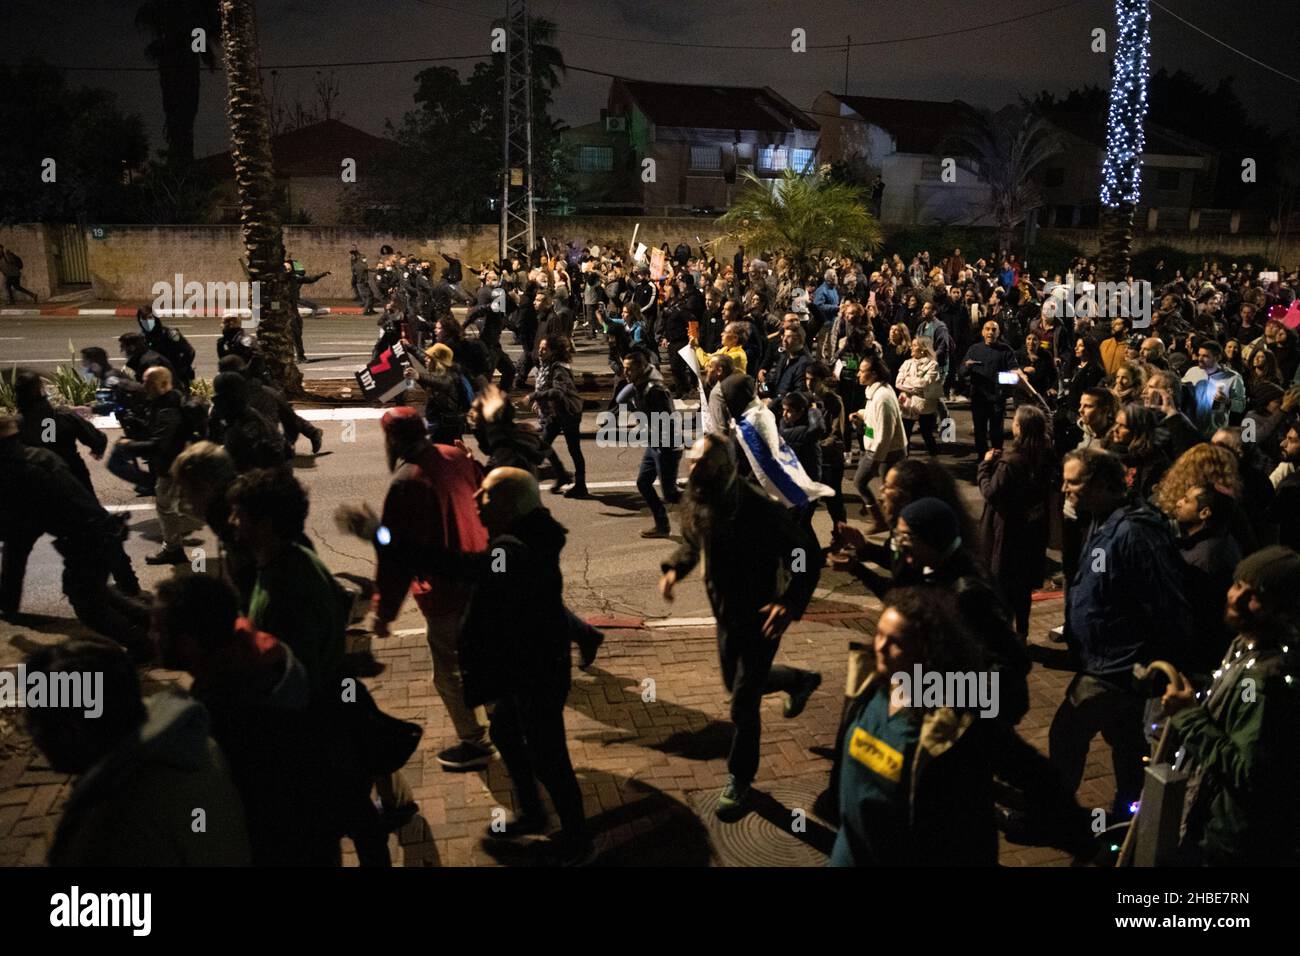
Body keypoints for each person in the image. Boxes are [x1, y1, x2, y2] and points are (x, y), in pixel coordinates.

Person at [831, 587, 1089, 866]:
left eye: (896, 642)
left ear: (926, 650)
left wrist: (1082, 841)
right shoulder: (870, 685)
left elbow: (1035, 774)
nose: (880, 647)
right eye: (879, 634)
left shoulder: (958, 720)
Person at [660, 434, 822, 819]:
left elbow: (804, 553)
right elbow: (693, 540)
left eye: (702, 464)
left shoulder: (756, 507)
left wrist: (789, 602)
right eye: (691, 461)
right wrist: (675, 570)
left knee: (742, 703)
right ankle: (798, 680)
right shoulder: (701, 495)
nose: (693, 469)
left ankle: (740, 778)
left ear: (724, 467)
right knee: (736, 684)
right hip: (726, 613)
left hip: (763, 613)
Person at [151, 574, 349, 865]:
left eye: (158, 631)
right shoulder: (266, 664)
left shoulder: (224, 716)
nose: (150, 637)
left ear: (188, 643)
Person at [340, 406, 497, 771]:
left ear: (393, 439)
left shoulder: (406, 481)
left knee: (449, 674)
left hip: (445, 592)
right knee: (485, 659)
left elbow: (396, 552)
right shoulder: (456, 456)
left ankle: (475, 741)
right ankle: (506, 727)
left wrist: (384, 612)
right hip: (482, 576)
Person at [454, 467, 595, 865]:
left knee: (550, 759)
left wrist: (394, 543)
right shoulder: (530, 539)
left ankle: (578, 840)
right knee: (506, 734)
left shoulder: (509, 550)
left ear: (510, 507)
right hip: (526, 667)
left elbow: (475, 570)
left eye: (484, 495)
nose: (475, 500)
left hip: (535, 673)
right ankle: (533, 811)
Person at [1050, 447, 1194, 819]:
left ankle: (1054, 814)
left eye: (1073, 482)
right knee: (1126, 742)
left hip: (1116, 665)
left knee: (1068, 732)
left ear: (1100, 484)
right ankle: (1128, 813)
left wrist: (1145, 664)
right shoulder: (1101, 519)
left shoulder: (1135, 533)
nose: (1064, 489)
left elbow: (1166, 603)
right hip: (1105, 659)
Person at [26, 638, 251, 866]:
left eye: (37, 720)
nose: (33, 734)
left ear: (71, 728)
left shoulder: (112, 824)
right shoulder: (191, 744)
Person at [1161, 546, 1300, 865]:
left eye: (1256, 596)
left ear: (1284, 610)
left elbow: (1248, 773)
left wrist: (1187, 717)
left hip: (1232, 838)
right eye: (1238, 584)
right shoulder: (1247, 645)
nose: (1236, 598)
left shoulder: (1265, 680)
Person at [0, 412, 149, 656]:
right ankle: (155, 622)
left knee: (89, 606)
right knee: (98, 593)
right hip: (99, 531)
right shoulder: (39, 456)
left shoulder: (14, 471)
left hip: (85, 539)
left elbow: (19, 520)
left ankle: (146, 648)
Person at [228, 468, 348, 700]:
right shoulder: (294, 558)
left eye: (238, 514)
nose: (231, 521)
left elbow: (300, 680)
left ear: (264, 525)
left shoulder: (285, 592)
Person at [978, 404, 1053, 639]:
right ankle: (1022, 633)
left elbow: (991, 492)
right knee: (1022, 589)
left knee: (1002, 587)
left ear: (1020, 428)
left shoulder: (1009, 463)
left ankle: (1005, 639)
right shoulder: (1046, 456)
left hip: (1007, 532)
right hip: (1033, 529)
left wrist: (985, 465)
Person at [105, 366, 192, 565]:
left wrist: (130, 445)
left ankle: (173, 549)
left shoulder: (167, 409)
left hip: (172, 465)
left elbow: (160, 443)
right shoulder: (161, 402)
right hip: (171, 464)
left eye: (149, 382)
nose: (144, 386)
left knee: (166, 507)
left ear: (163, 384)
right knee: (172, 505)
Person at [619, 347, 681, 538]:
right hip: (654, 444)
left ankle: (710, 505)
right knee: (643, 483)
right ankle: (662, 526)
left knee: (670, 494)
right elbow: (622, 399)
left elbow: (668, 420)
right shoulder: (639, 384)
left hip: (666, 446)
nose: (625, 373)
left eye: (629, 369)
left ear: (641, 368)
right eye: (624, 368)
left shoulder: (655, 390)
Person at [13, 370, 107, 491]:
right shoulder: (63, 415)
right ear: (41, 390)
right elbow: (95, 438)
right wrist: (98, 448)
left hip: (35, 482)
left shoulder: (14, 425)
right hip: (72, 477)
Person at [850, 349, 907, 532]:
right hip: (876, 449)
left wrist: (876, 461)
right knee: (870, 485)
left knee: (890, 492)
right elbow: (875, 418)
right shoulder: (874, 392)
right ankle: (884, 522)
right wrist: (860, 414)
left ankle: (894, 527)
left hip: (887, 452)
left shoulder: (882, 397)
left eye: (862, 370)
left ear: (873, 374)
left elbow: (885, 434)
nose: (858, 373)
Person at [531, 336, 588, 498]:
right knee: (543, 444)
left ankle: (581, 485)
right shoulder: (546, 365)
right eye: (540, 348)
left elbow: (558, 392)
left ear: (553, 352)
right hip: (556, 413)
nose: (540, 352)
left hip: (569, 412)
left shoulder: (559, 369)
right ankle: (561, 474)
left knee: (574, 448)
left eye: (544, 349)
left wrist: (536, 396)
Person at [958, 320, 1019, 463]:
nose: (990, 332)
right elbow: (961, 372)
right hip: (978, 397)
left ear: (998, 333)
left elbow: (1014, 376)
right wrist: (967, 367)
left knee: (996, 432)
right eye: (987, 329)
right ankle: (982, 458)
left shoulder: (1006, 351)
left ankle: (997, 458)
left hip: (997, 399)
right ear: (982, 332)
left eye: (993, 330)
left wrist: (999, 380)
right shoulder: (974, 349)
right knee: (979, 431)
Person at [1182, 339, 1246, 436]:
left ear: (1217, 357)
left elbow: (1241, 406)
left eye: (1205, 356)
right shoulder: (1192, 372)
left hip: (1215, 433)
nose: (1199, 359)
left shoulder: (1233, 378)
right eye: (1199, 355)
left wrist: (1227, 401)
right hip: (1191, 430)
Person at [895, 335, 943, 455]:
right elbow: (898, 382)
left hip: (923, 405)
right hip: (907, 404)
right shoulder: (907, 363)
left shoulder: (932, 365)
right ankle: (904, 457)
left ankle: (934, 458)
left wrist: (908, 382)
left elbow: (923, 383)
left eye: (915, 345)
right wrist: (913, 388)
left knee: (926, 432)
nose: (911, 347)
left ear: (923, 349)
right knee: (905, 433)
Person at [136, 308, 196, 391]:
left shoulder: (169, 334)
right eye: (144, 319)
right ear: (140, 321)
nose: (147, 321)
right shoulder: (141, 339)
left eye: (150, 318)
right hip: (154, 382)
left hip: (175, 379)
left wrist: (179, 370)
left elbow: (189, 352)